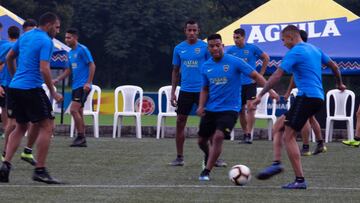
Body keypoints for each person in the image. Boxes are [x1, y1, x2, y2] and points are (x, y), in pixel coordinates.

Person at [253, 25, 346, 189]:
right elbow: (335, 67)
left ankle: (300, 180)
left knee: (288, 135)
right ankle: (276, 163)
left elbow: (277, 75)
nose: (283, 44)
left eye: (283, 40)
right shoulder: (315, 49)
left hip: (306, 97)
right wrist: (339, 84)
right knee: (278, 125)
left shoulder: (294, 52)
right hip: (317, 97)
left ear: (290, 37)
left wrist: (261, 95)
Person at [197, 34, 275, 181]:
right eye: (212, 46)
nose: (215, 48)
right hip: (211, 109)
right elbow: (205, 89)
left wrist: (270, 91)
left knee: (219, 136)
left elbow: (256, 76)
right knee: (201, 141)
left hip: (230, 108)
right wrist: (201, 106)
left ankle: (206, 171)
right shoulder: (206, 66)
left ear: (223, 46)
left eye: (217, 45)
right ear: (208, 48)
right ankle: (209, 154)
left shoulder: (235, 61)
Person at [0, 12, 63, 184]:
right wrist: (53, 92)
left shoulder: (26, 36)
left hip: (15, 88)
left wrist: (14, 78)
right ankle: (40, 170)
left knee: (20, 127)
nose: (57, 31)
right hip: (31, 88)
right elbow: (44, 69)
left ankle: (5, 167)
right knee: (47, 126)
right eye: (57, 27)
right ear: (49, 24)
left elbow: (9, 58)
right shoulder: (46, 41)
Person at [169, 20, 226, 167]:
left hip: (203, 91)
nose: (192, 33)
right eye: (189, 30)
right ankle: (179, 157)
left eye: (194, 30)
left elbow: (213, 66)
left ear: (198, 31)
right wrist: (173, 92)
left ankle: (215, 158)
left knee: (211, 124)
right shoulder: (178, 48)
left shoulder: (205, 47)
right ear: (185, 31)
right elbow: (175, 71)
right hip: (185, 91)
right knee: (180, 122)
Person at [283, 30, 327, 156]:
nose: (284, 43)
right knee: (310, 118)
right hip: (317, 93)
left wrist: (287, 92)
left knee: (304, 119)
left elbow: (291, 76)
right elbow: (294, 76)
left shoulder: (298, 52)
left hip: (306, 93)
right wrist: (288, 92)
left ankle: (306, 147)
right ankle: (320, 143)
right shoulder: (313, 51)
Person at [226, 28, 270, 144]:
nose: (236, 40)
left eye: (238, 38)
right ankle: (245, 134)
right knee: (240, 110)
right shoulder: (231, 51)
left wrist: (261, 74)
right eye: (234, 37)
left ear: (243, 37)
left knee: (251, 107)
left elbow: (266, 57)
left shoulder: (252, 48)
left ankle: (249, 134)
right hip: (237, 85)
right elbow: (225, 64)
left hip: (250, 83)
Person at [53, 28, 96, 147]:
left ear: (75, 38)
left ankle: (81, 136)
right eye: (65, 37)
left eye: (69, 37)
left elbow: (92, 65)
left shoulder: (83, 49)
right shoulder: (70, 53)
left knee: (73, 110)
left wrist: (88, 82)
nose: (66, 39)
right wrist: (57, 79)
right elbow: (68, 70)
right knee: (79, 112)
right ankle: (82, 138)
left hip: (83, 86)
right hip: (75, 86)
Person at [0, 26, 20, 162]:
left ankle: (4, 131)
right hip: (14, 85)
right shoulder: (19, 46)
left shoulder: (4, 45)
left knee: (6, 110)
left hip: (7, 84)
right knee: (10, 115)